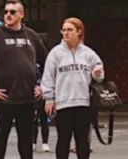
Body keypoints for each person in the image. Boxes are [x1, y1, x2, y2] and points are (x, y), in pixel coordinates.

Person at [0, 0, 48, 159]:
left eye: (12, 12)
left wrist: (43, 86)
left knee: (26, 140)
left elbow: (47, 62)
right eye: (5, 12)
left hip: (27, 98)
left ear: (21, 14)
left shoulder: (31, 36)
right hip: (5, 98)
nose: (8, 15)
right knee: (1, 136)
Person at [41, 17, 104, 159]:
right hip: (63, 103)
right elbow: (48, 77)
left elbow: (99, 75)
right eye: (63, 30)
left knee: (82, 141)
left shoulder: (88, 53)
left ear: (79, 32)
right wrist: (49, 99)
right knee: (63, 139)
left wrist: (97, 73)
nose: (66, 33)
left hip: (84, 103)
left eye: (70, 30)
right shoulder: (55, 53)